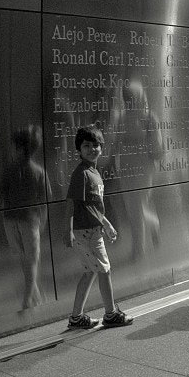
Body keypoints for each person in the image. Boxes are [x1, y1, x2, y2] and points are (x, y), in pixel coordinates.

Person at [64, 125, 133, 329]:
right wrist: (68, 230)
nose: (92, 149)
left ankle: (76, 317)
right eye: (87, 146)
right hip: (86, 232)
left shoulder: (93, 172)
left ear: (101, 148)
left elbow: (93, 206)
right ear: (79, 149)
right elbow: (71, 203)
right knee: (105, 270)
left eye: (96, 145)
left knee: (91, 272)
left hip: (92, 230)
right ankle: (111, 313)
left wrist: (107, 224)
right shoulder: (82, 174)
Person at [0, 125, 50, 310]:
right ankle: (29, 298)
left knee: (23, 259)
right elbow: (45, 199)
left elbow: (0, 195)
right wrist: (42, 220)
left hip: (10, 220)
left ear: (17, 148)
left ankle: (32, 297)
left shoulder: (9, 170)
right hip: (30, 221)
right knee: (32, 259)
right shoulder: (38, 172)